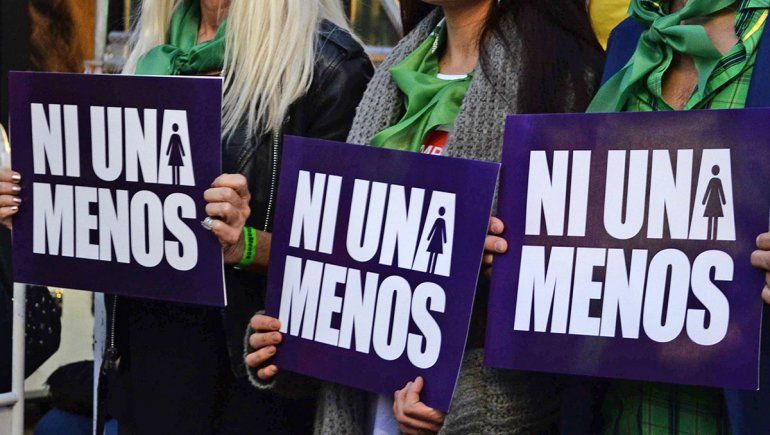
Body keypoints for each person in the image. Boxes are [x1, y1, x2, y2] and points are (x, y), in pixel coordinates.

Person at [1, 0, 372, 433]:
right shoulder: (153, 50)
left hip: (249, 372)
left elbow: (349, 258)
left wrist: (247, 244)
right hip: (145, 355)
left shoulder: (327, 64)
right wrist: (34, 203)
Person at [245, 0, 605, 433]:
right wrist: (289, 341)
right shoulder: (396, 69)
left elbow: (577, 312)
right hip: (365, 408)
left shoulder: (566, 77)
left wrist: (466, 403)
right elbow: (352, 257)